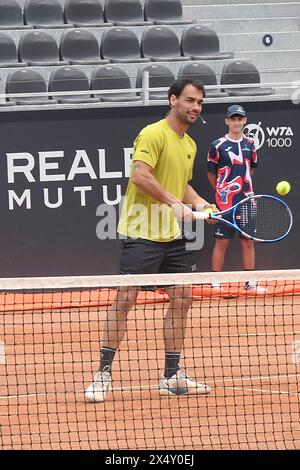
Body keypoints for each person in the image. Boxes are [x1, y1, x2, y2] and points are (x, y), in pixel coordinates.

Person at [85, 79, 216, 402]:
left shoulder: (189, 144)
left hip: (171, 236)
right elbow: (141, 175)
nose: (195, 107)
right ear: (173, 100)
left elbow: (182, 184)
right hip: (140, 232)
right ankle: (102, 374)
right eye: (189, 100)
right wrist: (174, 203)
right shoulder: (153, 133)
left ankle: (171, 375)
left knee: (183, 298)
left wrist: (201, 203)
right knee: (126, 299)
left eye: (199, 102)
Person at [207, 104, 266, 291]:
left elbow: (251, 170)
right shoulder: (217, 146)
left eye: (239, 119)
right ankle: (216, 281)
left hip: (246, 200)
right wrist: (222, 191)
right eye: (233, 119)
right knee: (221, 241)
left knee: (247, 241)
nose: (236, 122)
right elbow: (211, 174)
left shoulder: (250, 144)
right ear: (227, 121)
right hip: (225, 202)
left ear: (244, 121)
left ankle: (250, 282)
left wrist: (243, 190)